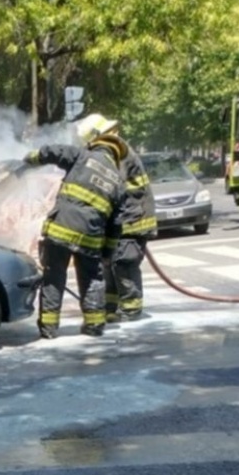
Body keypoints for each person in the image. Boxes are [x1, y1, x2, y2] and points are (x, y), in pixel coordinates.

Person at [23, 131, 127, 339]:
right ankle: (95, 325)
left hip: (60, 230)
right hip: (90, 237)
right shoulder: (119, 183)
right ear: (115, 155)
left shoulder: (83, 156)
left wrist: (33, 157)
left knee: (54, 277)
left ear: (97, 145)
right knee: (91, 279)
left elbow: (56, 152)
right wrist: (107, 252)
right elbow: (116, 225)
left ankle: (49, 328)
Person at [76, 114, 157, 324]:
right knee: (108, 262)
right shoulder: (114, 150)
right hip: (124, 219)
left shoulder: (117, 152)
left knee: (123, 263)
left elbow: (110, 187)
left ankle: (131, 309)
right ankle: (110, 307)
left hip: (132, 220)